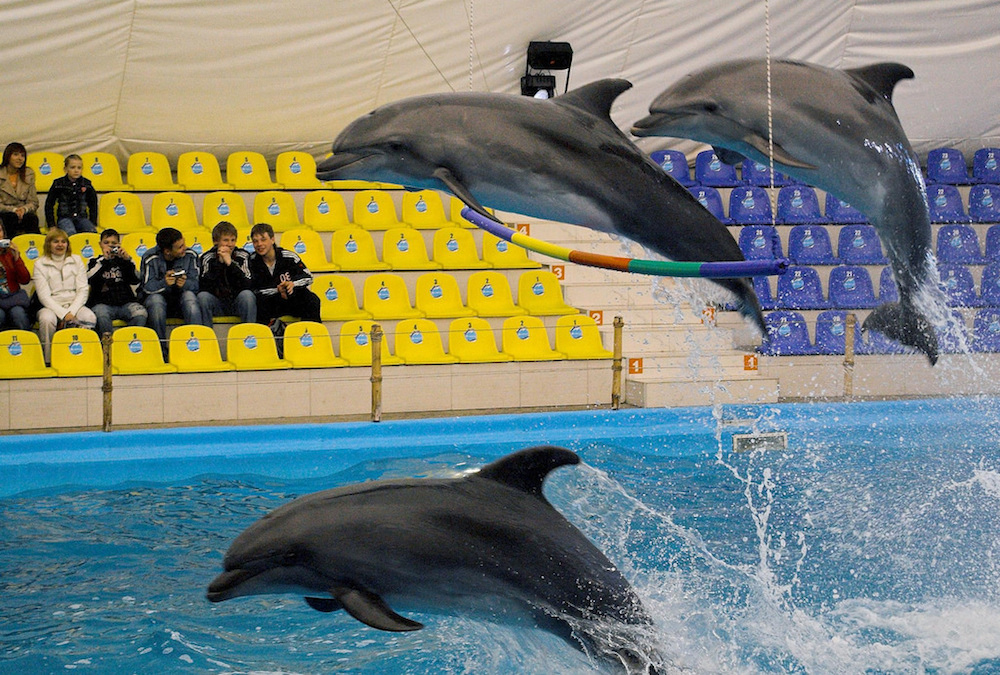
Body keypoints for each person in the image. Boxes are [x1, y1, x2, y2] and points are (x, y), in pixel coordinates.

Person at [32, 228, 97, 363]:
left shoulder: (77, 260)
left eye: (63, 241)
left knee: (89, 317)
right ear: (48, 244)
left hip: (75, 303)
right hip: (51, 305)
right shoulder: (39, 264)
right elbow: (44, 297)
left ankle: (84, 357)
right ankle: (48, 360)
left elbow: (83, 290)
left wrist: (71, 312)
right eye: (56, 241)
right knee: (46, 319)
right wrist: (63, 314)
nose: (60, 245)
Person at [139, 227, 202, 346]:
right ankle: (160, 350)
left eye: (183, 244)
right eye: (180, 247)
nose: (185, 248)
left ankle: (196, 345)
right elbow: (146, 287)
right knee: (155, 301)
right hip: (159, 302)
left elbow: (198, 284)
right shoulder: (150, 257)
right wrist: (164, 283)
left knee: (190, 297)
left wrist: (185, 284)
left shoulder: (190, 255)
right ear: (167, 251)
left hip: (181, 301)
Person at [248, 222, 320, 323]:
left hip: (291, 299)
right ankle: (264, 337)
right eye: (255, 241)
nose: (259, 244)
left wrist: (292, 284)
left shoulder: (288, 257)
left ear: (272, 239)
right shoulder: (251, 261)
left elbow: (308, 277)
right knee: (260, 304)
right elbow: (252, 290)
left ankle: (310, 334)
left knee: (312, 299)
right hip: (269, 303)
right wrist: (278, 290)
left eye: (263, 239)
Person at [86, 228, 147, 336]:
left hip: (125, 303)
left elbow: (136, 280)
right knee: (101, 315)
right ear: (100, 244)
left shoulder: (125, 261)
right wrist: (104, 260)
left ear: (119, 244)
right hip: (102, 304)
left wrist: (128, 260)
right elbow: (88, 279)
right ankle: (108, 347)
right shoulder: (94, 262)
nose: (110, 246)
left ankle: (126, 341)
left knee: (140, 313)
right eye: (106, 243)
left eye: (113, 243)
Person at [197, 221, 256, 326]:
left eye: (233, 240)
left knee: (247, 295)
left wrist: (230, 264)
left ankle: (249, 335)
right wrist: (219, 263)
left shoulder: (243, 255)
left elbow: (248, 284)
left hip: (237, 302)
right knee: (203, 297)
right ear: (216, 242)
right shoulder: (207, 257)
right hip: (217, 303)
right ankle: (207, 337)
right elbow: (204, 286)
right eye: (226, 240)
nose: (230, 244)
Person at [44, 154, 99, 235]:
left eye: (79, 168)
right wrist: (51, 225)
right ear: (65, 169)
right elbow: (49, 205)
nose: (76, 170)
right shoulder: (58, 184)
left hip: (82, 218)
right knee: (70, 232)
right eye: (72, 167)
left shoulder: (87, 184)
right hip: (64, 218)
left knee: (91, 232)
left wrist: (93, 222)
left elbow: (93, 204)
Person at [0, 142, 40, 237]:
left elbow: (34, 202)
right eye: (16, 154)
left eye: (22, 155)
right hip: (5, 212)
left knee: (32, 218)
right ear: (8, 156)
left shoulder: (29, 174)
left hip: (24, 212)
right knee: (10, 218)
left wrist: (24, 209)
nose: (20, 158)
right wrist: (14, 210)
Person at [0, 220, 31, 330]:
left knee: (19, 314)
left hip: (13, 298)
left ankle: (27, 343)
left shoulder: (9, 253)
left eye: (0, 231)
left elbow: (25, 280)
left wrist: (17, 258)